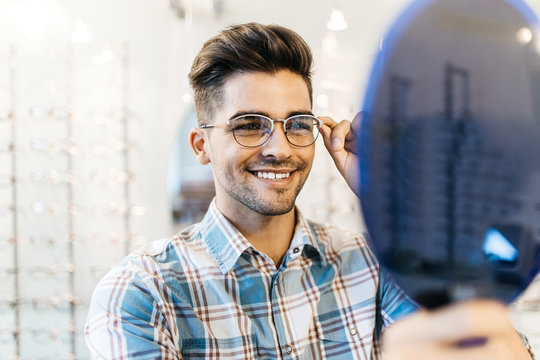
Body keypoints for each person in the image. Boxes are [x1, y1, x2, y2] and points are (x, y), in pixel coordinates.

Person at [85, 22, 534, 359]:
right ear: (202, 145)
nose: (279, 149)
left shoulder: (375, 266)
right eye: (248, 126)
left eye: (296, 124)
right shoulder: (144, 292)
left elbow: (492, 351)